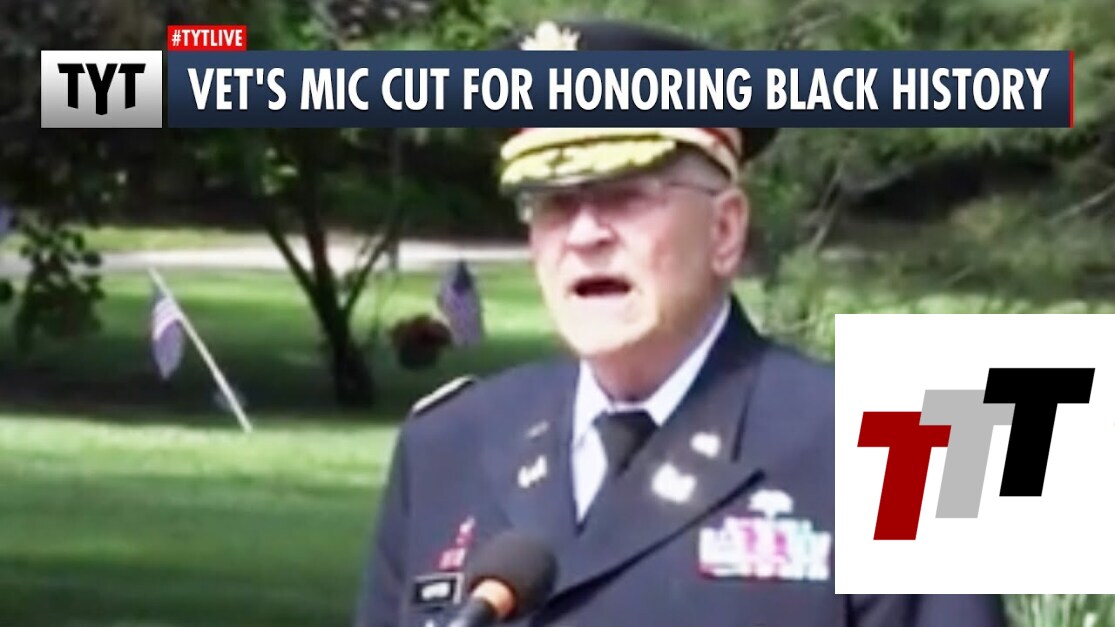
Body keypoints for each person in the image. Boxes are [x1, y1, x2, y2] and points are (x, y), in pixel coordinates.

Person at [353, 18, 1009, 627]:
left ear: (724, 230)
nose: (583, 234)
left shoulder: (904, 447)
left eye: (624, 196)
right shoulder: (447, 447)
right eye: (553, 203)